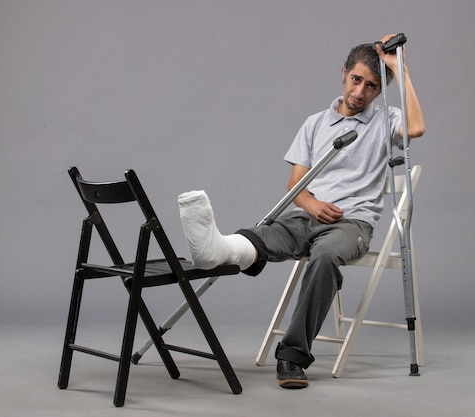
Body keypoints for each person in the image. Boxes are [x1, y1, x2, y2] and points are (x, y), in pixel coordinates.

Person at [178, 34, 426, 389]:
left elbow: (417, 129)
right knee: (262, 235)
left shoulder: (387, 119)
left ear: (378, 91)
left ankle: (292, 357)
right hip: (306, 217)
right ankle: (215, 251)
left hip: (352, 224)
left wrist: (399, 68)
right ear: (343, 73)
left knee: (323, 257)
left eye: (372, 86)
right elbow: (296, 186)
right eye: (356, 80)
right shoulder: (314, 124)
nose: (360, 92)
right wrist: (312, 203)